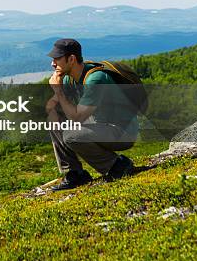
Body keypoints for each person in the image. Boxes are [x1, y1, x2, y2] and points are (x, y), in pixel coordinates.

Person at [45, 38, 139, 191]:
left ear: (71, 59)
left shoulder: (95, 79)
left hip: (122, 131)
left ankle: (118, 165)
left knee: (71, 135)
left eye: (57, 58)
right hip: (100, 125)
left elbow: (77, 117)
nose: (52, 63)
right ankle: (75, 174)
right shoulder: (70, 77)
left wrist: (58, 91)